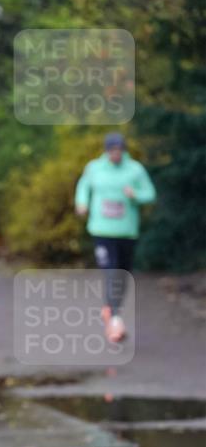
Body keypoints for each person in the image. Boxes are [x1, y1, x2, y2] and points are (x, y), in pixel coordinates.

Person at [75, 132, 156, 342]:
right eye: (112, 150)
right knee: (111, 272)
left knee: (122, 275)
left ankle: (111, 309)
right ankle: (116, 319)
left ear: (124, 150)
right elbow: (84, 186)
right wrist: (82, 203)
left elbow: (150, 194)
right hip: (102, 230)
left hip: (126, 230)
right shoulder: (94, 168)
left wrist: (135, 195)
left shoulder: (135, 170)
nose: (116, 154)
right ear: (106, 151)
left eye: (119, 150)